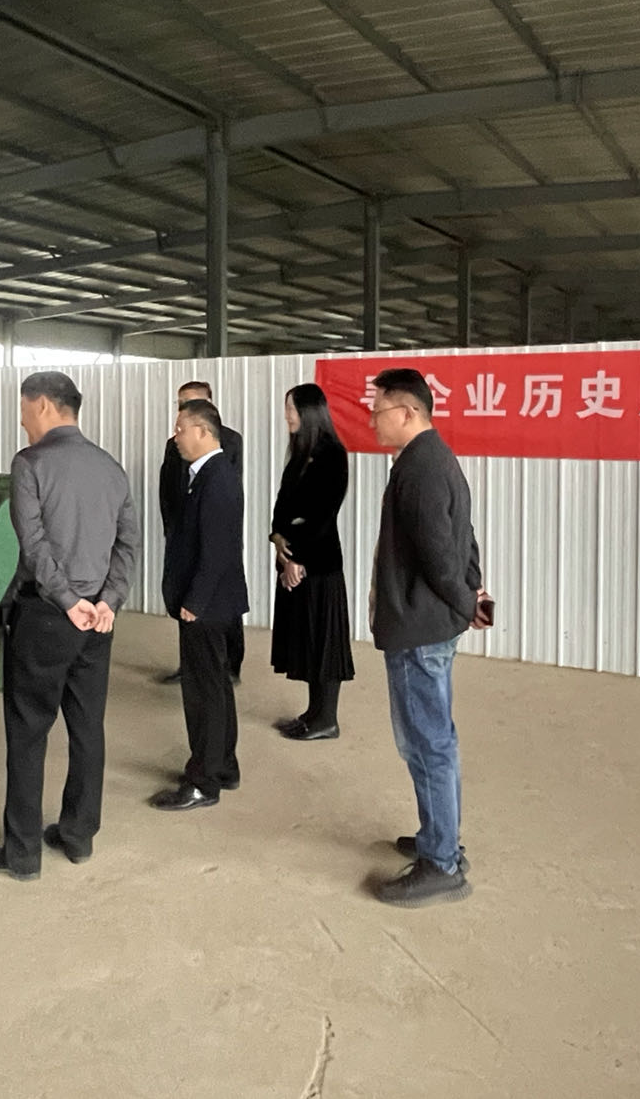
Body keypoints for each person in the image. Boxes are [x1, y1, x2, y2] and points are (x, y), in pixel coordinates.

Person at [0, 371, 140, 879]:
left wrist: (68, 601)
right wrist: (108, 601)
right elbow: (128, 544)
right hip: (98, 622)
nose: (22, 420)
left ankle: (22, 853)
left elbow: (34, 545)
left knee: (28, 731)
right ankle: (78, 835)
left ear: (44, 405)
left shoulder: (31, 463)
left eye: (24, 408)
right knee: (87, 727)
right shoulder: (110, 467)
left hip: (47, 616)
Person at [367, 367, 491, 908]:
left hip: (419, 629)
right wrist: (473, 591)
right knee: (431, 740)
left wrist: (465, 601)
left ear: (408, 412)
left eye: (378, 411)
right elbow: (465, 539)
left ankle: (441, 863)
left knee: (427, 743)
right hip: (427, 623)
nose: (372, 422)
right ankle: (438, 839)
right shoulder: (435, 459)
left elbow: (441, 553)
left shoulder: (420, 468)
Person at [152, 398, 249, 811]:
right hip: (211, 602)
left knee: (202, 693)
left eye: (181, 429)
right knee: (215, 686)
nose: (175, 437)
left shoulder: (217, 478)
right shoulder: (205, 475)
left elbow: (218, 548)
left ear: (203, 432)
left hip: (207, 605)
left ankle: (203, 781)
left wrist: (195, 600)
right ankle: (224, 765)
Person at [269, 384, 356, 741]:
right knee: (307, 640)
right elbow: (283, 507)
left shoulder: (332, 455)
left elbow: (321, 516)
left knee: (324, 642)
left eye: (291, 409)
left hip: (318, 565)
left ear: (308, 412)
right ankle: (313, 712)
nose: (287, 415)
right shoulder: (299, 454)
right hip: (293, 559)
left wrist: (296, 558)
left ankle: (327, 719)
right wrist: (278, 540)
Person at [157, 380, 244, 686]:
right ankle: (190, 664)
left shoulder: (226, 447)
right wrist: (173, 528)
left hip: (212, 532)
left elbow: (224, 500)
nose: (183, 409)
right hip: (184, 533)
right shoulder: (175, 445)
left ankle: (231, 664)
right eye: (180, 403)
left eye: (191, 403)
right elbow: (167, 489)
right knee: (189, 607)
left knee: (214, 603)